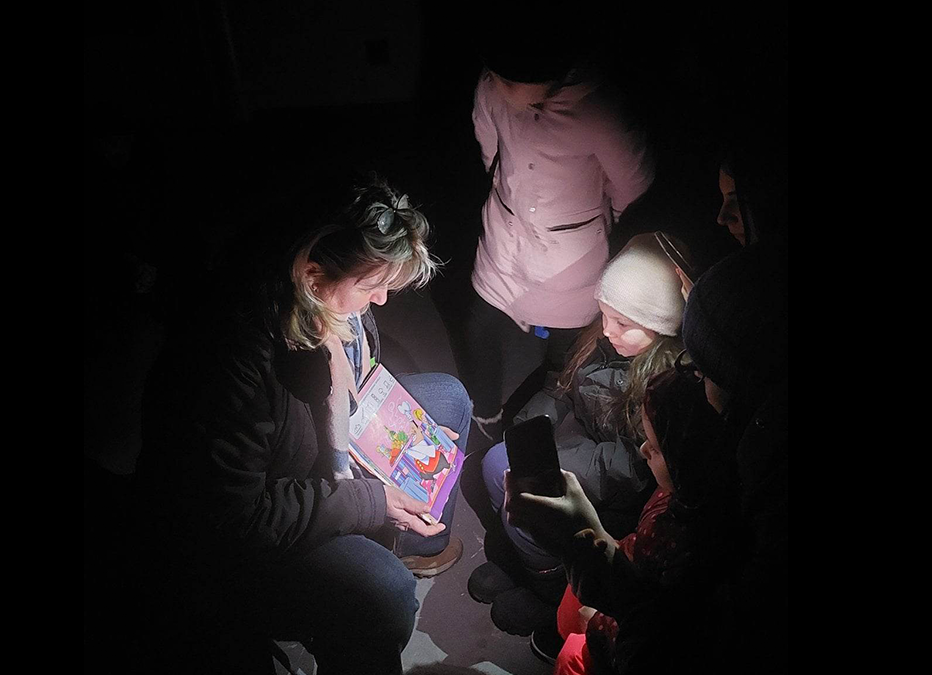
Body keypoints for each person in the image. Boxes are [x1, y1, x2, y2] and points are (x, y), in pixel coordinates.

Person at [133, 178, 471, 675]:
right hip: (244, 535)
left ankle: (411, 540)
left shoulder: (324, 303)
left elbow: (355, 381)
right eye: (372, 285)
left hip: (312, 449)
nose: (380, 301)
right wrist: (367, 500)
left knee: (447, 398)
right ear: (313, 278)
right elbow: (237, 519)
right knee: (382, 595)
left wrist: (405, 429)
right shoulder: (232, 364)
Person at [468, 233, 685, 635]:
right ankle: (527, 559)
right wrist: (532, 426)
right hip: (576, 443)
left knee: (516, 483)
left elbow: (629, 466)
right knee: (499, 466)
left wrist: (557, 462)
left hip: (612, 490)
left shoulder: (662, 385)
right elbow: (560, 386)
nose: (606, 330)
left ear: (660, 327)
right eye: (603, 315)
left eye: (622, 323)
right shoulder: (603, 341)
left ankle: (550, 588)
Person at [458, 34, 656, 454]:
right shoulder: (493, 86)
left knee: (567, 342)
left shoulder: (599, 107)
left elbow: (632, 181)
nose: (499, 88)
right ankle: (486, 416)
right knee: (481, 322)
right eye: (495, 76)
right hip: (505, 232)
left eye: (511, 81)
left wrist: (599, 221)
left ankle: (549, 410)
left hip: (571, 250)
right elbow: (487, 140)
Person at [505, 368, 735, 673]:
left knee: (573, 656)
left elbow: (653, 625)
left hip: (624, 637)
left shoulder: (694, 545)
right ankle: (561, 632)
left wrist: (600, 619)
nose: (643, 450)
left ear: (688, 460)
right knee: (571, 606)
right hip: (633, 567)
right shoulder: (676, 493)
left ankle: (569, 643)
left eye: (655, 447)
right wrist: (596, 539)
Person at [679, 241, 787, 672]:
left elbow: (724, 629)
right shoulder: (760, 443)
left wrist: (598, 562)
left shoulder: (767, 486)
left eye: (703, 372)